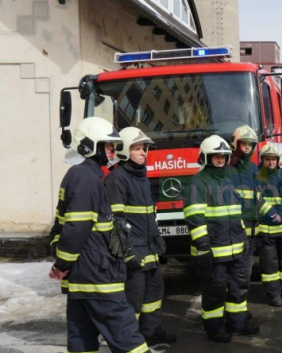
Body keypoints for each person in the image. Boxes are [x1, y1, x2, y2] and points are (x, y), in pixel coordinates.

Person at [48, 117, 149, 353]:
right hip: (98, 276)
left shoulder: (88, 175)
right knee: (127, 338)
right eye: (108, 146)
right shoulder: (85, 177)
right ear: (89, 146)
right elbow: (75, 228)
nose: (112, 151)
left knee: (81, 339)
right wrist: (62, 263)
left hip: (84, 275)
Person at [184, 135, 259, 343]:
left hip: (235, 249)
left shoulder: (228, 180)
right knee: (215, 292)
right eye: (215, 156)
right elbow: (194, 218)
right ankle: (214, 329)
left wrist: (244, 239)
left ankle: (238, 324)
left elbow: (237, 214)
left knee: (239, 289)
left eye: (223, 156)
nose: (220, 159)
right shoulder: (196, 182)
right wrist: (203, 247)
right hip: (214, 251)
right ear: (206, 157)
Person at [105, 127, 176, 346]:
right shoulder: (117, 178)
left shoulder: (142, 177)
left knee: (153, 296)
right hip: (133, 253)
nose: (144, 153)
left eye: (144, 148)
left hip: (149, 251)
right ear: (125, 150)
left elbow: (148, 215)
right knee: (133, 300)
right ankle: (129, 341)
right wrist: (126, 254)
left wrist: (157, 238)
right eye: (138, 148)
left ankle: (151, 333)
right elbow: (115, 221)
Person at [255, 143, 282, 307]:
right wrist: (273, 215)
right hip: (266, 230)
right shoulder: (257, 177)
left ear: (278, 160)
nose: (271, 162)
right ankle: (274, 295)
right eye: (268, 159)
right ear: (263, 160)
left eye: (273, 159)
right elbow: (257, 199)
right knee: (269, 265)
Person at [228, 125, 260, 284]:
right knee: (232, 269)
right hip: (232, 230)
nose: (247, 147)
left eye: (250, 144)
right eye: (243, 143)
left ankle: (240, 304)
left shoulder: (255, 169)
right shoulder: (226, 169)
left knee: (245, 271)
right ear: (235, 144)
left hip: (251, 229)